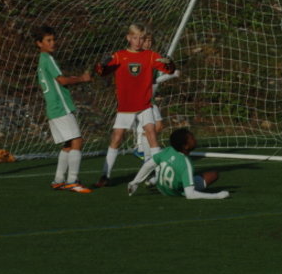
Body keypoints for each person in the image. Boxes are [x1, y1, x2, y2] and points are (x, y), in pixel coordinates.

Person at [93, 23, 175, 187]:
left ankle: (158, 173)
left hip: (144, 104)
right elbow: (101, 72)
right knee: (117, 138)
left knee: (151, 133)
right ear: (128, 38)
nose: (138, 41)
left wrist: (170, 63)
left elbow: (170, 71)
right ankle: (105, 175)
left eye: (142, 38)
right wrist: (101, 65)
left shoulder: (150, 55)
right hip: (125, 106)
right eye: (135, 38)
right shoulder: (119, 56)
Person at [34, 25, 93, 193]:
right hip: (60, 107)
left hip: (53, 108)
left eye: (54, 39)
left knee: (68, 144)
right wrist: (82, 78)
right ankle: (72, 181)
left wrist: (74, 78)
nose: (52, 43)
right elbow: (62, 81)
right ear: (39, 43)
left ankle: (59, 180)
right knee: (77, 141)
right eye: (48, 40)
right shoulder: (48, 58)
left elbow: (58, 81)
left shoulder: (42, 60)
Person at [127, 128, 229, 199]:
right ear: (185, 146)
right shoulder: (186, 164)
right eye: (192, 139)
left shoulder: (168, 150)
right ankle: (156, 179)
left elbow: (148, 165)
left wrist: (135, 182)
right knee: (214, 175)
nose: (195, 140)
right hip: (174, 193)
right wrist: (217, 195)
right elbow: (190, 195)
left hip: (161, 188)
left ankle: (155, 179)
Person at [133, 31, 179, 161]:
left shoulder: (150, 56)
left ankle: (142, 150)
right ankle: (144, 152)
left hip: (147, 96)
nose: (148, 43)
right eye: (145, 40)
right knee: (156, 126)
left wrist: (169, 70)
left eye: (150, 41)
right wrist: (171, 75)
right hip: (139, 97)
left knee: (154, 126)